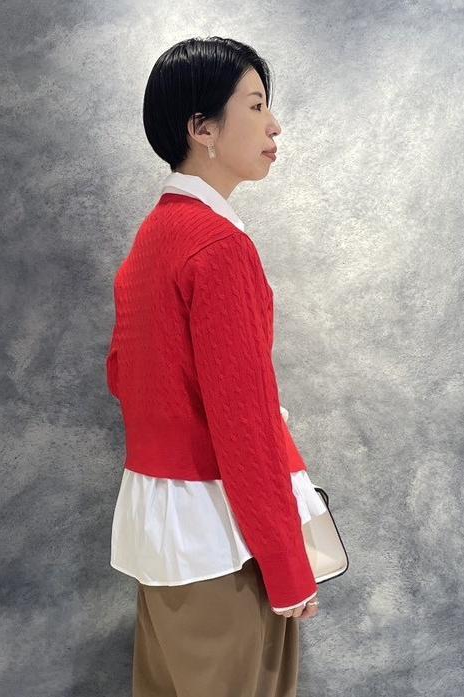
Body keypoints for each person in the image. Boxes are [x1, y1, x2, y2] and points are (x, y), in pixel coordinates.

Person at [106, 36, 327, 697]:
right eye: (255, 105)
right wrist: (287, 568)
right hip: (222, 541)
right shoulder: (218, 247)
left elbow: (123, 375)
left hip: (162, 534)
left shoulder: (154, 236)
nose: (274, 124)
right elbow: (243, 424)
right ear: (201, 128)